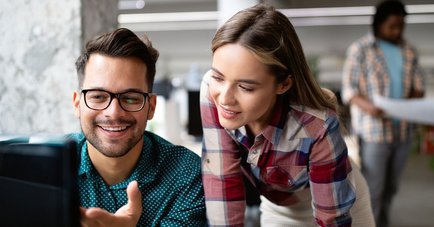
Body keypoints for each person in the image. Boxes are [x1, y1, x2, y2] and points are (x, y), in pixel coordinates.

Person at [200, 4, 374, 227]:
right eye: (218, 77)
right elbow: (222, 179)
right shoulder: (211, 92)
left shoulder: (316, 126)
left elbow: (332, 219)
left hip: (337, 199)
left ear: (283, 84)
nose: (224, 98)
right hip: (280, 206)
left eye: (245, 87)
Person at [69, 28, 206, 226]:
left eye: (131, 98)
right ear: (77, 104)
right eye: (98, 97)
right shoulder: (44, 169)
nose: (114, 113)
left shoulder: (186, 174)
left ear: (151, 107)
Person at [341, 1, 425, 226]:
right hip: (374, 132)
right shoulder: (360, 50)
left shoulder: (409, 51)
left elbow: (418, 86)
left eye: (401, 26)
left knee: (392, 187)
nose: (397, 31)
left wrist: (411, 101)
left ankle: (382, 221)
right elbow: (349, 90)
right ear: (378, 25)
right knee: (373, 188)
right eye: (392, 26)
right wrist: (369, 107)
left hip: (403, 130)